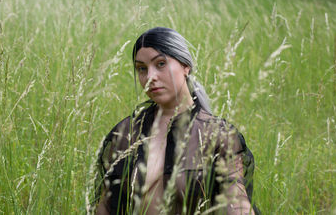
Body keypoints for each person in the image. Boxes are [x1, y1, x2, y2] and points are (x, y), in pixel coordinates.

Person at [95, 27, 258, 214]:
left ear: (185, 66)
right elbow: (106, 207)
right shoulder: (126, 133)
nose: (150, 77)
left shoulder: (218, 136)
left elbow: (237, 206)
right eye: (142, 68)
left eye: (161, 64)